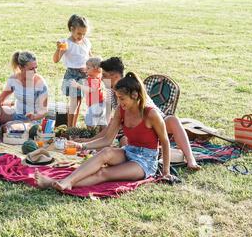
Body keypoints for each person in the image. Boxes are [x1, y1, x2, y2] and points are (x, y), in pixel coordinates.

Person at [35, 72, 175, 191]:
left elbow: (165, 141)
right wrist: (82, 146)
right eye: (118, 98)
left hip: (146, 161)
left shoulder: (151, 114)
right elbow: (107, 139)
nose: (120, 103)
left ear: (135, 95)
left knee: (103, 173)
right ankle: (66, 181)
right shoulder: (121, 111)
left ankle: (55, 183)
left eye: (122, 98)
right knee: (106, 151)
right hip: (128, 151)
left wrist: (166, 172)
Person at [93, 57, 201, 171]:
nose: (101, 79)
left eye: (104, 75)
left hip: (152, 122)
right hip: (134, 129)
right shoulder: (111, 92)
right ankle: (133, 165)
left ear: (114, 76)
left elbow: (149, 114)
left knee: (173, 120)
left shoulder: (131, 87)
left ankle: (190, 159)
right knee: (124, 142)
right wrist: (89, 141)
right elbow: (111, 123)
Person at [53, 14, 93, 127]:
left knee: (79, 102)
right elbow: (56, 60)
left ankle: (73, 126)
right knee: (74, 103)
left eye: (84, 34)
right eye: (79, 33)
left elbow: (90, 56)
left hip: (84, 75)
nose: (81, 36)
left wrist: (92, 68)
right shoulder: (66, 43)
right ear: (72, 29)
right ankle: (70, 128)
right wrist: (58, 49)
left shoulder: (86, 42)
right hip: (72, 75)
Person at [0, 51, 48, 124]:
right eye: (31, 69)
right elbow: (0, 99)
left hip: (33, 120)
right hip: (17, 115)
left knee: (10, 127)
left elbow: (44, 111)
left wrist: (34, 116)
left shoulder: (40, 84)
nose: (35, 72)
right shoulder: (13, 79)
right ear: (20, 67)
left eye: (36, 68)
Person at [70, 57, 107, 129]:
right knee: (102, 122)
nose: (86, 69)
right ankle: (104, 134)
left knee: (89, 122)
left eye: (88, 68)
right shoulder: (95, 76)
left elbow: (91, 89)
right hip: (99, 103)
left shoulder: (94, 79)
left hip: (95, 104)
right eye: (86, 67)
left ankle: (90, 135)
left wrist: (78, 86)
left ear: (97, 69)